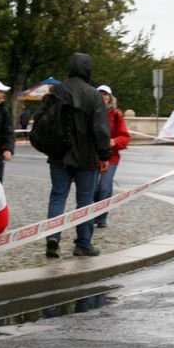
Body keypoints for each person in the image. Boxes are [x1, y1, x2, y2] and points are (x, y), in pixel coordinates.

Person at [45, 53, 110, 259]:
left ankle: (53, 237)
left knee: (57, 196)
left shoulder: (57, 91)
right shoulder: (93, 95)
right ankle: (83, 243)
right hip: (86, 157)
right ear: (87, 69)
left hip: (59, 155)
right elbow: (100, 128)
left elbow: (45, 121)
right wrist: (104, 155)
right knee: (85, 200)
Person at [93, 85, 130, 228]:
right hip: (93, 156)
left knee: (105, 188)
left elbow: (125, 136)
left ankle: (101, 218)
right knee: (92, 189)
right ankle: (92, 215)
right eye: (100, 94)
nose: (103, 96)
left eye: (105, 94)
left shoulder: (116, 114)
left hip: (111, 157)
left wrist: (114, 142)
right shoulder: (91, 113)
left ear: (110, 97)